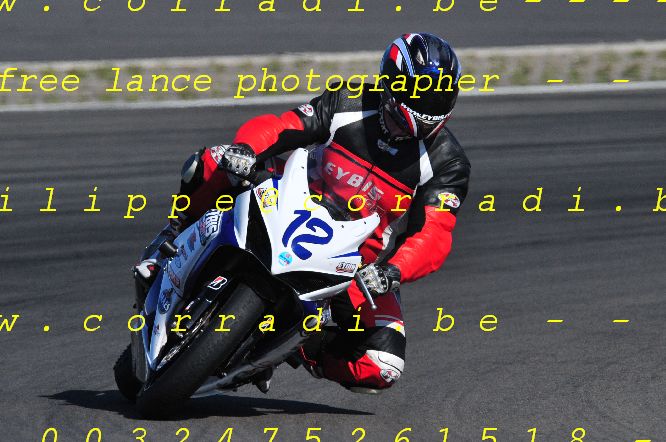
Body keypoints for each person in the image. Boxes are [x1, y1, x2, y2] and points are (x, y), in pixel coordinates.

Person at [135, 33, 470, 394]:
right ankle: (173, 236)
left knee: (383, 365)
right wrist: (246, 149)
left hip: (356, 263)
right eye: (422, 91)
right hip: (290, 197)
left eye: (440, 93)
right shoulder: (349, 101)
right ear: (394, 82)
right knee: (214, 161)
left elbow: (434, 234)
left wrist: (392, 272)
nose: (430, 103)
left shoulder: (447, 162)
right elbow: (286, 126)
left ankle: (301, 347)